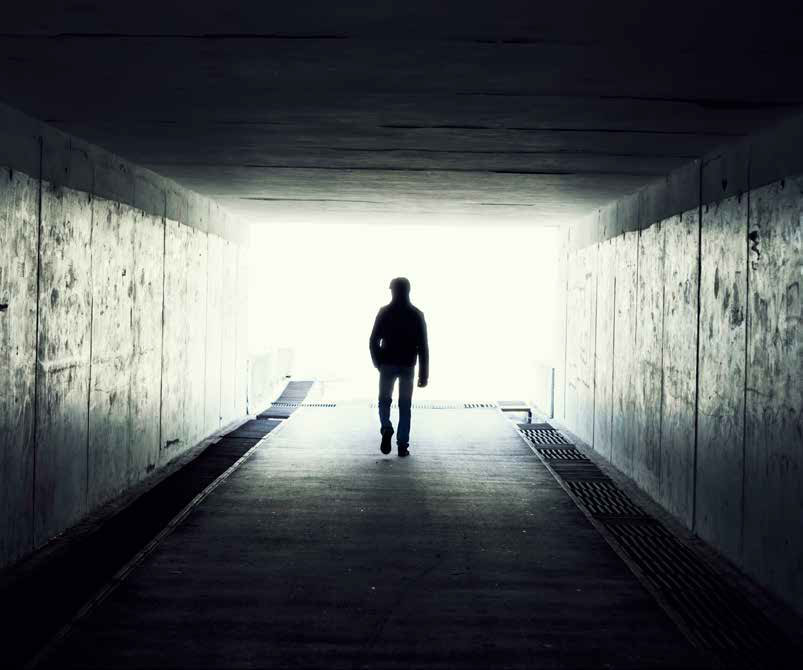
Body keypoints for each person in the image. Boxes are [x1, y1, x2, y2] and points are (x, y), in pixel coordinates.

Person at [369, 277, 429, 457]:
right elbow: (423, 346)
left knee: (384, 401)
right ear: (408, 291)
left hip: (387, 364)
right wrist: (423, 375)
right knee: (405, 406)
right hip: (408, 366)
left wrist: (378, 362)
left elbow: (373, 340)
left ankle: (386, 427)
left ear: (392, 291)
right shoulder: (416, 314)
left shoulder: (384, 312)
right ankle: (402, 445)